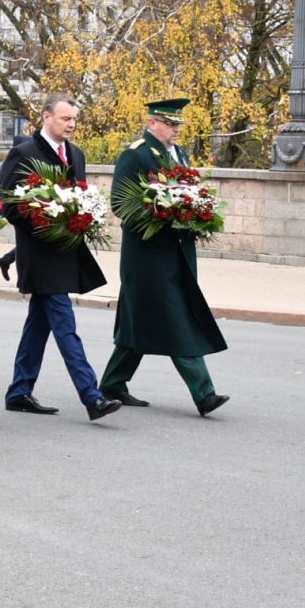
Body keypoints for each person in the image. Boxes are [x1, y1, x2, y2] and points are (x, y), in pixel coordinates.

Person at [99, 97, 231, 417]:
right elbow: (121, 204)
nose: (176, 129)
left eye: (178, 124)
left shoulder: (180, 154)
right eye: (170, 124)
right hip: (148, 256)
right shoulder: (135, 154)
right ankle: (204, 393)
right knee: (176, 318)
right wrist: (163, 212)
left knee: (139, 319)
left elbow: (189, 193)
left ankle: (112, 384)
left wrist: (195, 212)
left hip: (178, 252)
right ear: (152, 123)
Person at [0, 94, 122, 422]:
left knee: (38, 325)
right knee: (65, 325)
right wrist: (46, 218)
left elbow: (80, 196)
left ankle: (19, 391)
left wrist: (83, 216)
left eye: (74, 119)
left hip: (66, 252)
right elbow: (7, 204)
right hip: (39, 254)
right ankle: (92, 397)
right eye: (66, 118)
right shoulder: (24, 152)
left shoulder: (76, 154)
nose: (71, 124)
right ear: (46, 117)